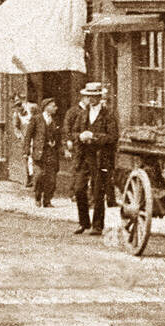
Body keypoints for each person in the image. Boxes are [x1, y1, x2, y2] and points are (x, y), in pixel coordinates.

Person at [64, 82, 115, 235]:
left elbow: (113, 137)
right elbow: (73, 133)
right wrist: (80, 136)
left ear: (100, 97)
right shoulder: (82, 114)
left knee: (98, 191)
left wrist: (94, 137)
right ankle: (83, 222)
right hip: (84, 156)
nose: (91, 99)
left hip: (100, 158)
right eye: (89, 96)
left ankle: (97, 226)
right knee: (79, 189)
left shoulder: (108, 115)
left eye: (94, 96)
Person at [23, 98, 61, 206]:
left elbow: (59, 136)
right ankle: (38, 197)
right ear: (46, 107)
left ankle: (47, 200)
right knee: (39, 176)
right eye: (53, 106)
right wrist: (26, 150)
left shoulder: (55, 120)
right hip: (39, 153)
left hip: (52, 153)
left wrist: (56, 143)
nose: (56, 108)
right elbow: (28, 136)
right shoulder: (36, 119)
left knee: (51, 179)